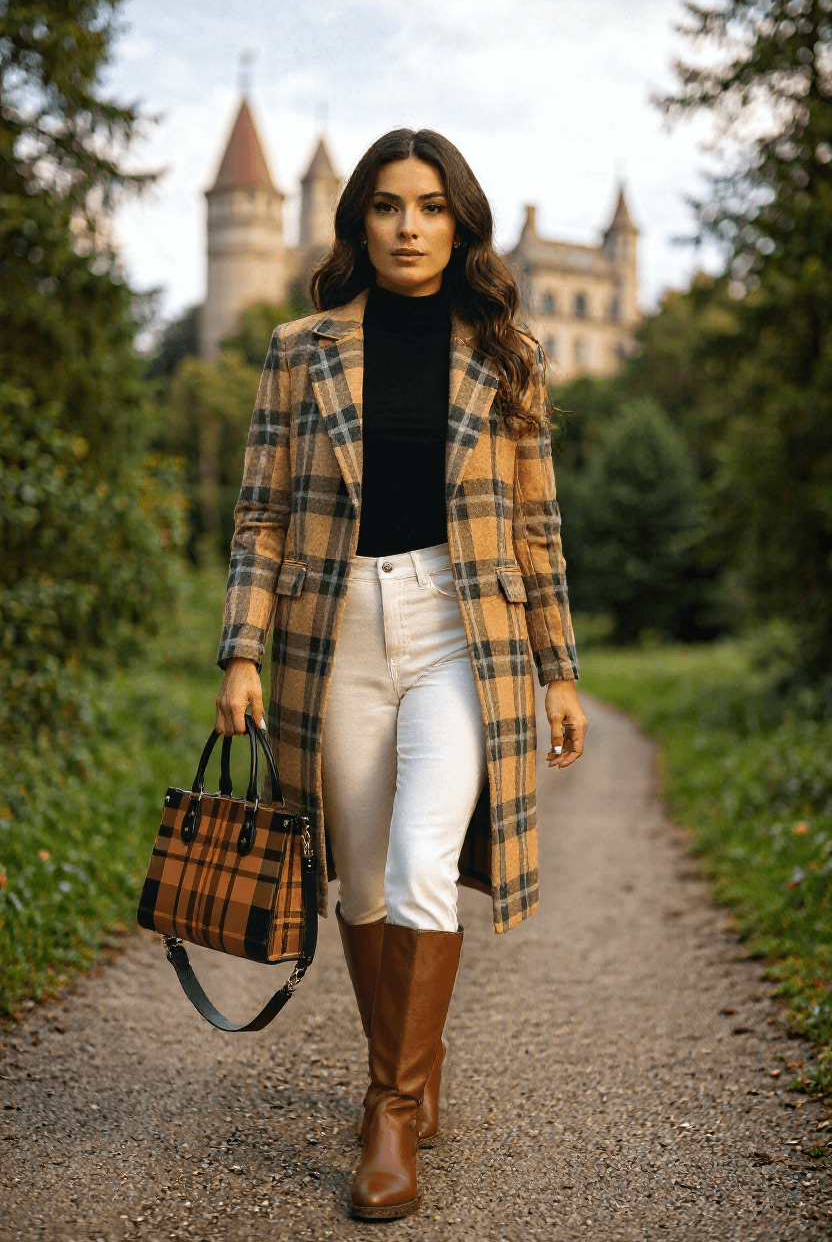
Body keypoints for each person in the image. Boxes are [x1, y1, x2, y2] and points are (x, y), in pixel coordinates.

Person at [214, 128, 588, 1221]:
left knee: (425, 865)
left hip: (463, 629)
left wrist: (559, 671)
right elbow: (261, 513)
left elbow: (536, 526)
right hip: (333, 631)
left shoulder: (507, 352)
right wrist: (241, 648)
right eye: (387, 206)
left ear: (459, 224)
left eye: (429, 207)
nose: (409, 227)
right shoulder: (300, 348)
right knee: (363, 883)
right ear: (359, 221)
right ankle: (412, 1076)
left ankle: (390, 1111)